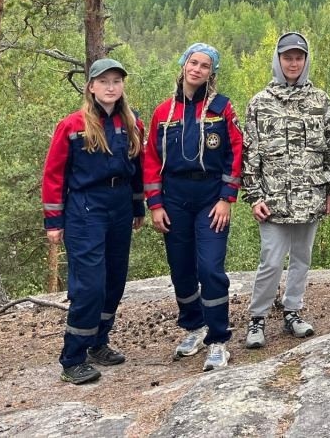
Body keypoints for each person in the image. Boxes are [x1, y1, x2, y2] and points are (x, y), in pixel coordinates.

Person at [41, 58, 145, 385]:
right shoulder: (72, 125)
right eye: (104, 81)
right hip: (86, 208)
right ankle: (73, 358)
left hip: (120, 206)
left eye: (116, 81)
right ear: (91, 87)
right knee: (89, 285)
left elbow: (138, 169)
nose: (111, 87)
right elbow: (54, 174)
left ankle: (98, 343)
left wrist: (138, 206)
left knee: (114, 280)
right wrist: (53, 220)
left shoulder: (132, 123)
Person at [142, 42, 244, 370]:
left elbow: (235, 152)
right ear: (183, 64)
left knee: (211, 268)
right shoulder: (163, 112)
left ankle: (218, 339)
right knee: (181, 268)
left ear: (212, 73)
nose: (197, 69)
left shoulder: (222, 108)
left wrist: (227, 199)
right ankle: (194, 326)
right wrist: (155, 204)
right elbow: (151, 158)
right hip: (174, 199)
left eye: (204, 65)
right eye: (193, 62)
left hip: (210, 198)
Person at [242, 32, 330, 350]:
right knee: (271, 260)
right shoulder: (260, 102)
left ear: (306, 60)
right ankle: (257, 318)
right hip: (273, 199)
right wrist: (254, 196)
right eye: (288, 57)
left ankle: (293, 311)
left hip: (310, 195)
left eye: (299, 57)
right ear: (278, 60)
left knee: (301, 258)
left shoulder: (320, 100)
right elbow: (250, 153)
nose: (293, 63)